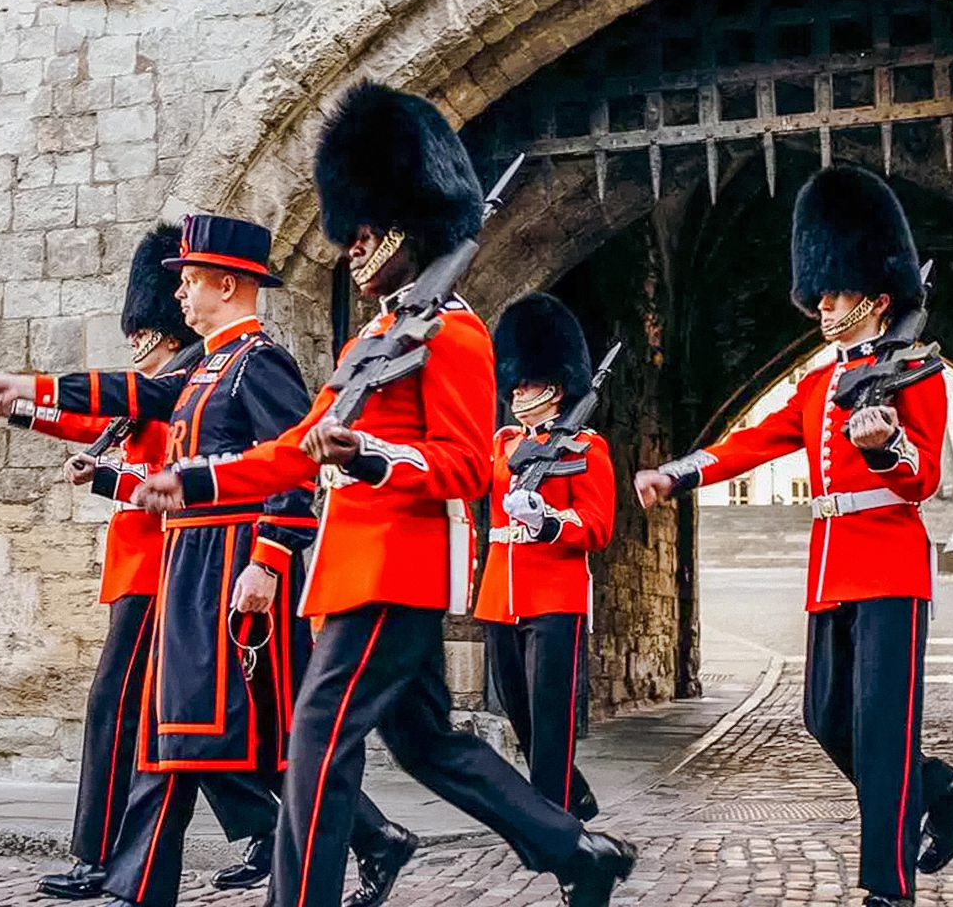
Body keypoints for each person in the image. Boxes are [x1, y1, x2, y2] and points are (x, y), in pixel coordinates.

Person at [132, 82, 637, 907]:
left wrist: (371, 457)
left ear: (407, 228)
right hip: (350, 570)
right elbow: (297, 450)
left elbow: (469, 469)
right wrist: (192, 478)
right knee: (430, 743)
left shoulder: (457, 333)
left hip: (396, 571)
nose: (353, 249)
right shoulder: (373, 336)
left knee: (315, 743)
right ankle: (578, 852)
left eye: (366, 234)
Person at [0, 213, 411, 907]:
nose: (178, 296)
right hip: (192, 567)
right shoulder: (207, 365)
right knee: (179, 731)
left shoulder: (259, 362)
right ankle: (144, 884)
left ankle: (156, 884)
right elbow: (132, 395)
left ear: (226, 283)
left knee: (246, 738)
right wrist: (24, 391)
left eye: (190, 281)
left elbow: (293, 470)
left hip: (234, 574)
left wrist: (266, 561)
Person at [632, 165, 953, 907]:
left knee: (881, 733)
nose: (822, 303)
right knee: (825, 718)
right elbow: (752, 442)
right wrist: (679, 471)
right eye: (820, 291)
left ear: (877, 296)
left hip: (891, 569)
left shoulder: (917, 372)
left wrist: (884, 445)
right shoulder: (817, 384)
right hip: (830, 571)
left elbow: (920, 478)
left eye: (835, 291)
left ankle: (886, 888)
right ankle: (944, 788)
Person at [5, 225, 289, 899]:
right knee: (180, 725)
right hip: (149, 569)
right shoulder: (174, 382)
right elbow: (90, 419)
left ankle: (102, 855)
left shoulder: (201, 379)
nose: (139, 348)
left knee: (130, 711)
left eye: (146, 336)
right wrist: (20, 408)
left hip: (173, 571)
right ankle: (257, 831)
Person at [474, 293, 612, 823]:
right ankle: (572, 792)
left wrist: (548, 521)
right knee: (521, 714)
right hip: (500, 596)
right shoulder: (502, 444)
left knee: (550, 716)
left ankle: (551, 818)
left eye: (528, 383)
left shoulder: (585, 449)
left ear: (554, 389)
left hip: (555, 594)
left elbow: (597, 526)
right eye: (517, 382)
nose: (518, 391)